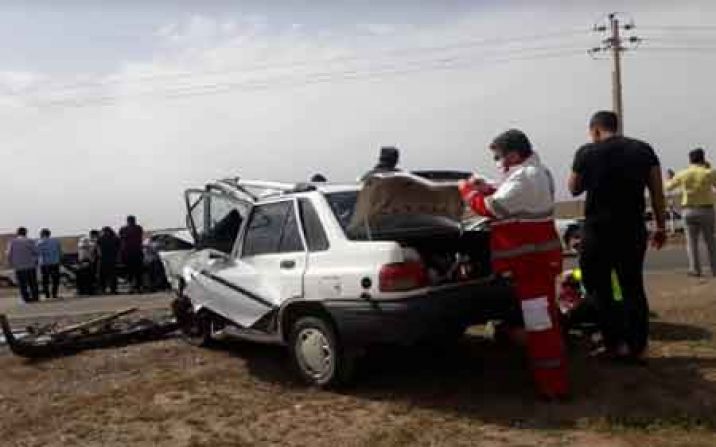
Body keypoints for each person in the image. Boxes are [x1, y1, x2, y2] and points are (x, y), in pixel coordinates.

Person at [459, 129, 568, 398]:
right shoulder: (535, 173)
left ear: (515, 154)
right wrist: (489, 187)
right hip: (535, 264)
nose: (498, 162)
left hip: (531, 266)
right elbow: (512, 196)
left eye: (499, 156)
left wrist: (468, 192)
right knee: (543, 323)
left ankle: (552, 387)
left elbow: (492, 208)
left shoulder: (526, 176)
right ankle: (551, 381)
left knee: (540, 326)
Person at [568, 111, 667, 363]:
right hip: (632, 230)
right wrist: (660, 226)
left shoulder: (587, 152)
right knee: (632, 286)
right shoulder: (643, 150)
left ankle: (615, 344)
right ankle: (638, 346)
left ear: (596, 130)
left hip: (597, 231)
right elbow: (657, 192)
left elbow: (573, 188)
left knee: (599, 289)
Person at [666, 148, 716, 277]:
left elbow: (668, 187)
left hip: (688, 210)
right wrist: (708, 169)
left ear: (690, 159)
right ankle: (714, 268)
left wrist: (669, 178)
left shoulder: (683, 173)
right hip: (706, 209)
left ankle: (695, 269)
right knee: (710, 241)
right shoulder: (709, 172)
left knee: (691, 242)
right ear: (703, 158)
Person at [6, 227, 39, 303]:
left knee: (22, 284)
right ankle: (35, 297)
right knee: (33, 283)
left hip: (19, 267)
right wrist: (35, 261)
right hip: (30, 266)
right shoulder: (30, 241)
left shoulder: (12, 242)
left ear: (17, 233)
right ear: (26, 233)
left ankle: (26, 299)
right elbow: (36, 252)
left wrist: (11, 263)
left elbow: (9, 254)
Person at [120, 215, 144, 293]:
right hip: (136, 252)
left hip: (129, 252)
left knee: (131, 271)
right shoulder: (138, 228)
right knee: (137, 271)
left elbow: (122, 240)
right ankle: (138, 287)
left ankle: (133, 287)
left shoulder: (124, 229)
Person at [36, 228, 62, 299]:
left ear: (42, 234)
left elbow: (37, 254)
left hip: (44, 264)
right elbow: (60, 252)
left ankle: (47, 294)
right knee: (55, 279)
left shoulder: (39, 243)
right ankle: (54, 294)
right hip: (55, 263)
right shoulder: (55, 241)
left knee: (45, 280)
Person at [97, 226, 120, 294]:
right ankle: (110, 289)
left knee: (107, 275)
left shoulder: (101, 238)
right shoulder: (114, 238)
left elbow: (98, 248)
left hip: (107, 259)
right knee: (108, 275)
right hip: (109, 258)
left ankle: (108, 289)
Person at [76, 229, 100, 295]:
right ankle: (90, 290)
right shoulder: (94, 242)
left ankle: (81, 290)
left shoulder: (82, 240)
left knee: (81, 276)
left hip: (81, 260)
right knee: (90, 276)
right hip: (89, 260)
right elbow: (97, 252)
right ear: (95, 235)